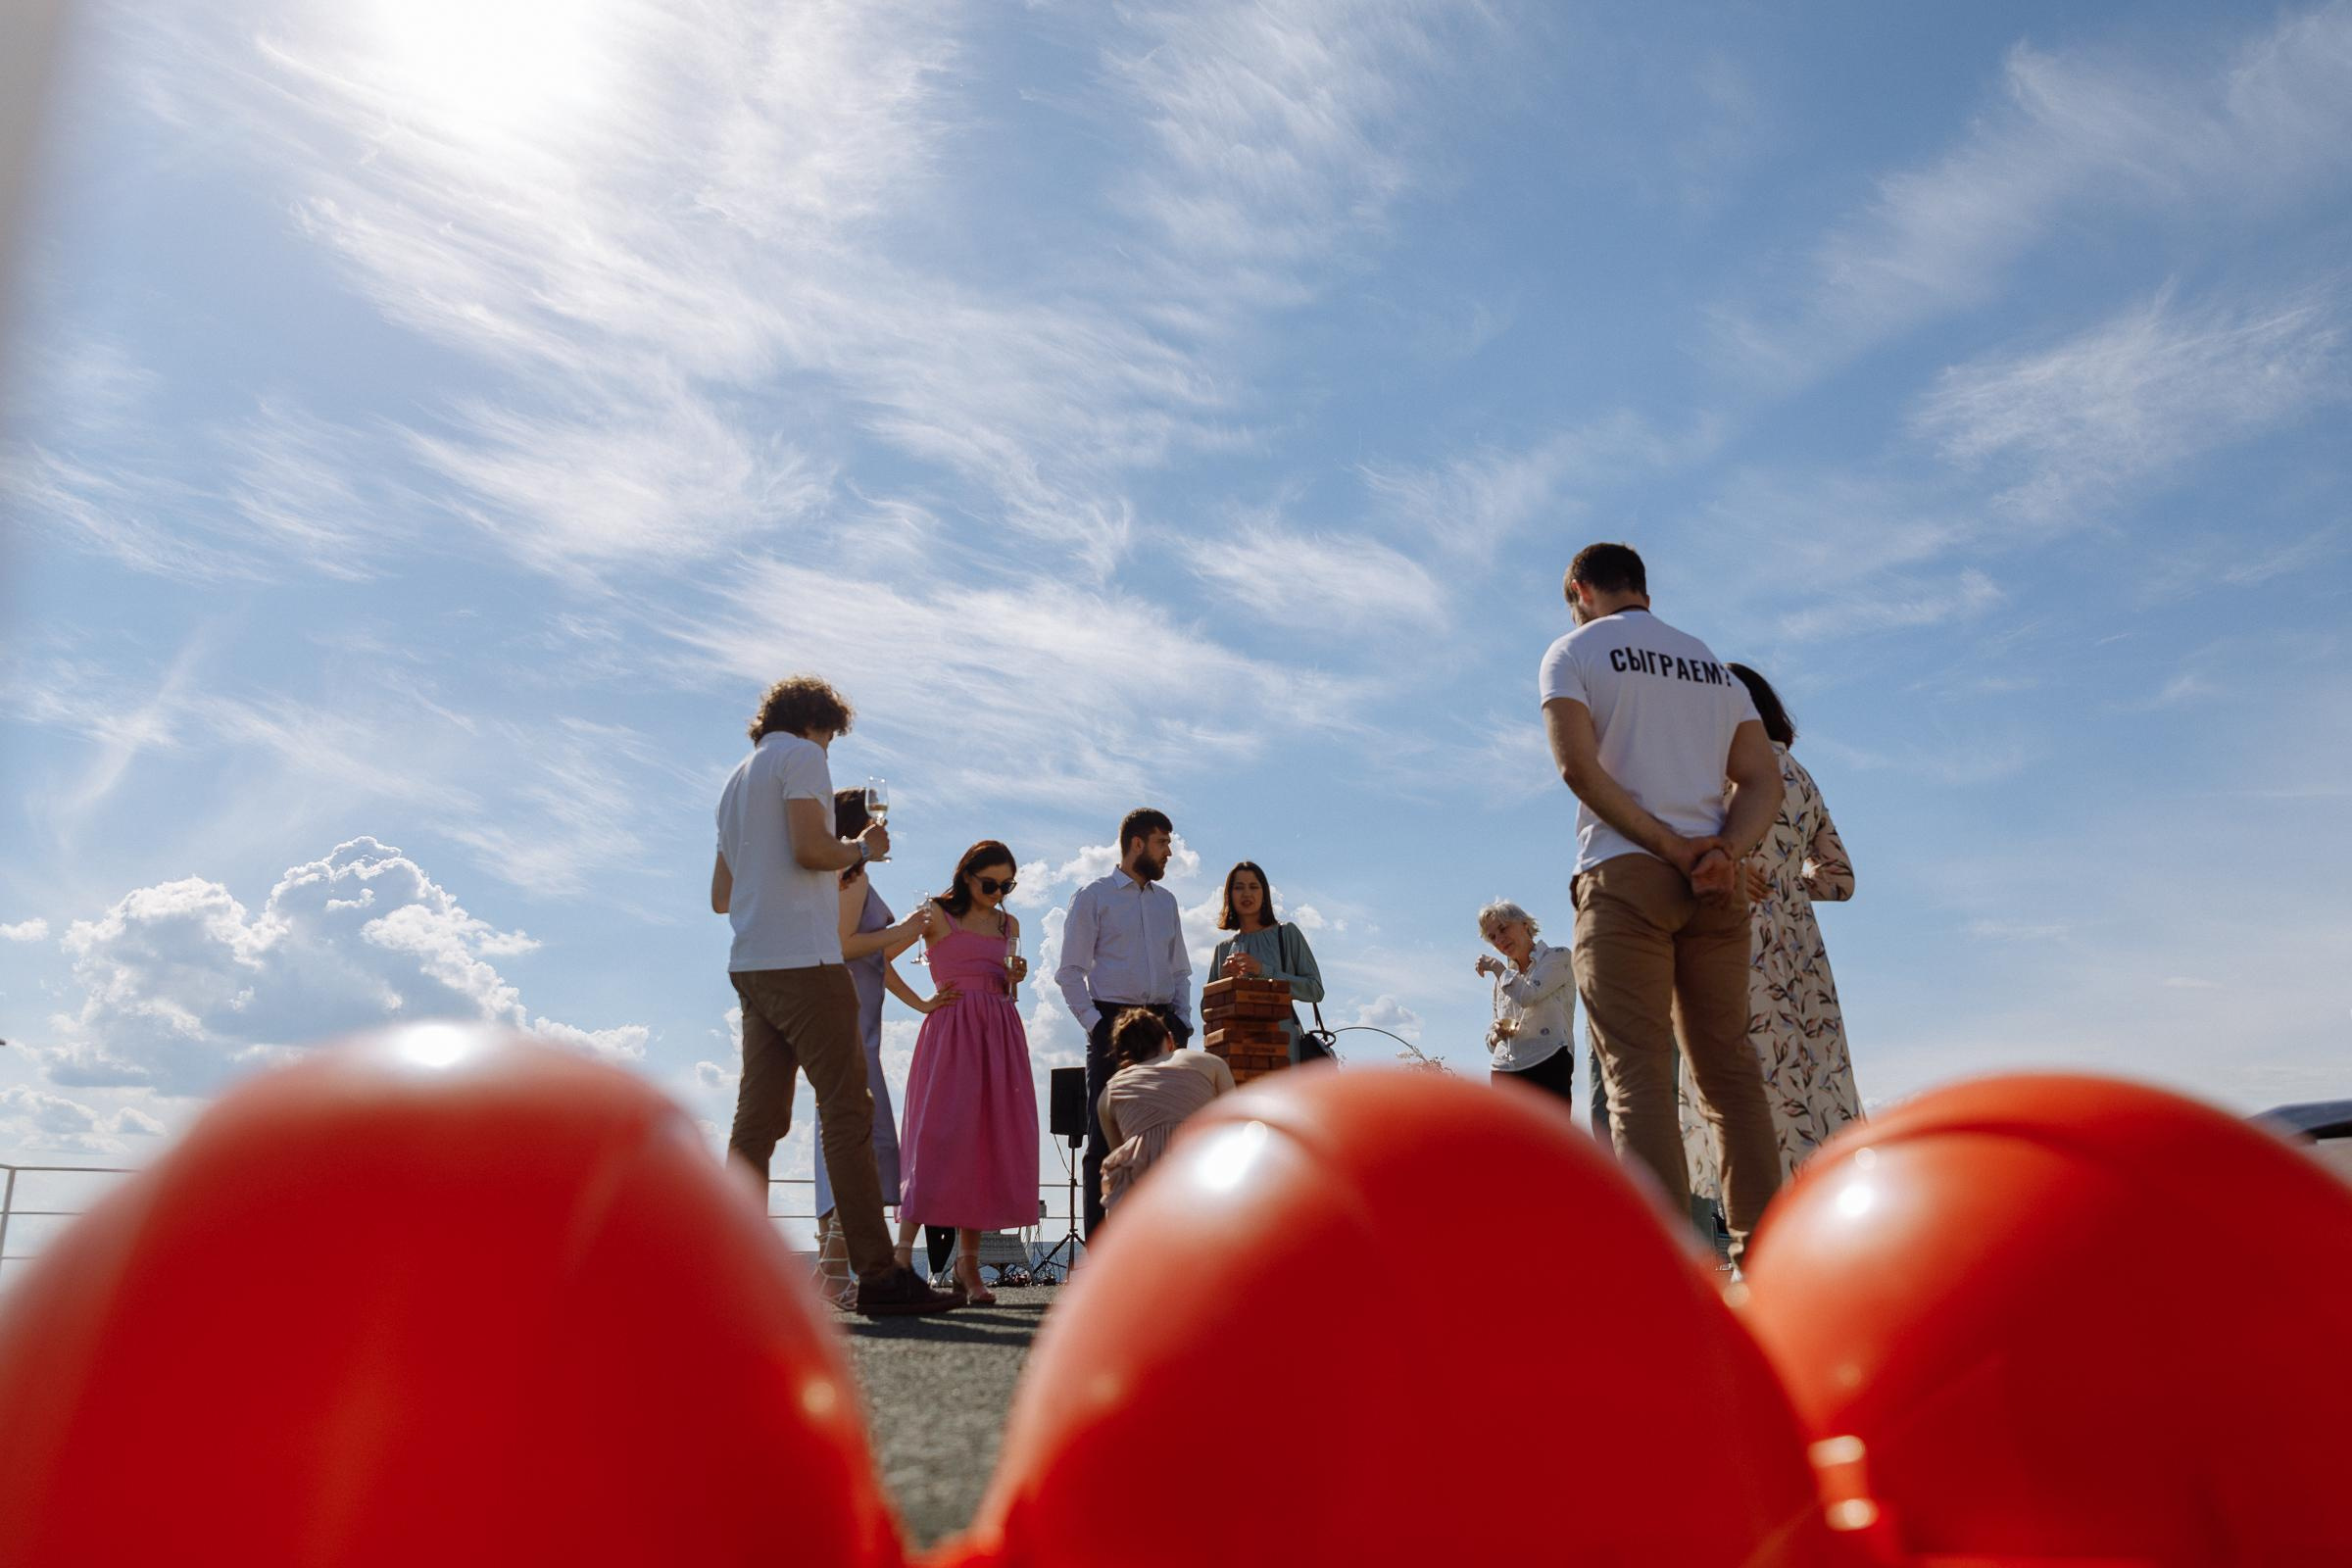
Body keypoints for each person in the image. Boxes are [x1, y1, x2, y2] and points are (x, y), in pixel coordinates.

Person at [1539, 543, 1787, 1266]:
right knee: (1731, 1073)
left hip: (1626, 879)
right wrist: (1720, 852)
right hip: (1715, 886)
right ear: (1642, 588)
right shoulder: (1708, 662)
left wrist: (1666, 846)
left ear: (1579, 589)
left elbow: (1576, 767)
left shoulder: (1573, 652)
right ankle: (1768, 1255)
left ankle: (1668, 1267)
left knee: (1638, 1077)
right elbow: (1760, 779)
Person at [710, 675, 955, 1316]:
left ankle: (736, 1274)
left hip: (752, 964)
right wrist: (860, 849)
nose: (830, 750)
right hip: (806, 962)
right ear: (820, 724)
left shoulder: (736, 781)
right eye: (832, 737)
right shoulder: (802, 757)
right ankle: (879, 1276)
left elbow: (720, 897)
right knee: (850, 1114)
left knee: (757, 1125)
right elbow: (810, 847)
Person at [1678, 662, 1862, 1217]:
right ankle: (1818, 1220)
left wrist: (1739, 870)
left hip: (1738, 938)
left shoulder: (1725, 773)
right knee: (1808, 1078)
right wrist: (1788, 880)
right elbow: (1841, 880)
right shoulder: (1801, 777)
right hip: (1802, 952)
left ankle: (1763, 1234)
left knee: (1744, 1081)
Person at [808, 788, 961, 1309]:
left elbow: (875, 957)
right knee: (863, 1143)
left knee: (853, 1142)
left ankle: (830, 1272)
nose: (887, 830)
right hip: (851, 1028)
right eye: (879, 824)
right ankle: (833, 1273)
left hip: (855, 1027)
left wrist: (920, 999)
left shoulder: (839, 878)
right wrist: (904, 927)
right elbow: (844, 943)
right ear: (860, 824)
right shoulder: (854, 876)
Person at [897, 840, 1039, 1305]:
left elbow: (1009, 991)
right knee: (936, 1136)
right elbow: (878, 957)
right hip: (951, 1032)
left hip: (998, 1031)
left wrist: (1014, 980)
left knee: (984, 1141)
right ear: (966, 875)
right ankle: (901, 1260)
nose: (999, 893)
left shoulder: (1009, 924)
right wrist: (921, 1003)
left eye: (1007, 885)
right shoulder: (935, 914)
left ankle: (968, 1265)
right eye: (990, 883)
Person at [1054, 808, 1193, 1240]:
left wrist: (1182, 1023)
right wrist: (1097, 1026)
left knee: (1167, 1135)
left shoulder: (1166, 902)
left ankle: (1159, 1248)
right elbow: (1069, 971)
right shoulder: (1093, 896)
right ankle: (1100, 1255)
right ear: (1137, 844)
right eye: (1162, 842)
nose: (1169, 851)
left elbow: (1179, 971)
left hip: (1163, 1025)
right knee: (1102, 1139)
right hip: (1111, 1023)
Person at [1473, 900, 1604, 1137]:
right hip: (1505, 1069)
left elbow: (1529, 995)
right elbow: (1490, 1040)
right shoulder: (1503, 980)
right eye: (1492, 937)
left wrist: (1497, 968)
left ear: (1525, 925)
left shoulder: (1558, 957)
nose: (1500, 940)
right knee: (1511, 1149)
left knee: (1553, 1142)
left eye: (1503, 929)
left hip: (1548, 1060)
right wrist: (1496, 1035)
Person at [1098, 1007, 1235, 1209]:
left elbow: (1118, 1155)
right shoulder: (1207, 1063)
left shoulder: (1110, 1092)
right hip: (1202, 1175)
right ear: (1169, 1039)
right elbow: (1235, 1123)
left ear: (1121, 1058)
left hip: (1145, 1195)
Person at [1207, 860, 1329, 1063]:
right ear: (1229, 895)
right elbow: (1207, 1010)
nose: (1247, 894)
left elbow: (1315, 990)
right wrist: (1224, 982)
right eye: (1239, 887)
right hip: (1237, 1050)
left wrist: (1264, 971)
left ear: (1264, 894)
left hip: (1282, 1047)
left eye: (1254, 887)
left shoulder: (1286, 933)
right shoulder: (1223, 949)